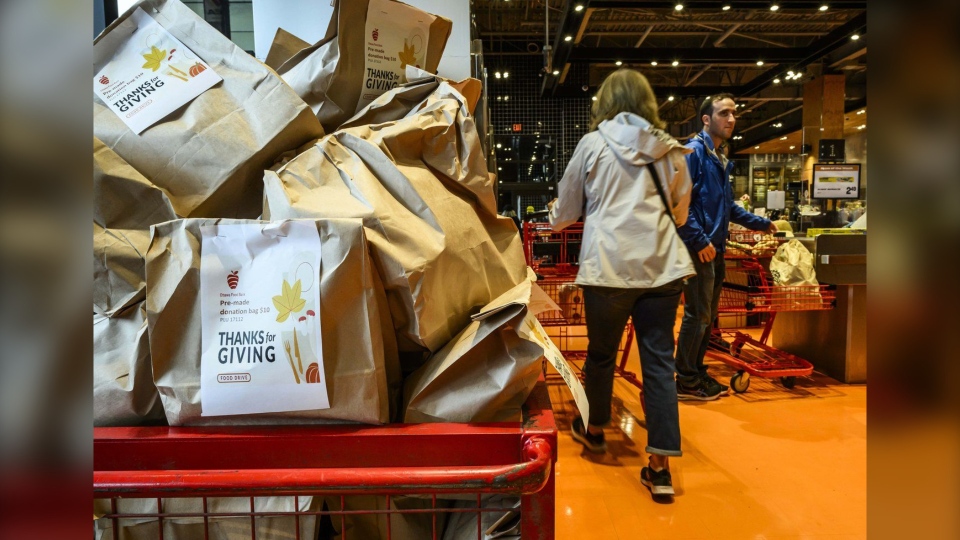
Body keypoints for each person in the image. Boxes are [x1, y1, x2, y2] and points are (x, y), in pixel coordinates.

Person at [548, 69, 695, 498]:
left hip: (608, 269)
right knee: (658, 364)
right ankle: (660, 467)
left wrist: (554, 217)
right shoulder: (669, 149)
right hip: (662, 269)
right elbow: (680, 210)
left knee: (600, 354)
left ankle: (594, 429)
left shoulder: (593, 144)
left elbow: (567, 208)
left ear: (605, 102)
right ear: (647, 102)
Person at [675, 94, 778, 400]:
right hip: (699, 249)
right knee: (698, 315)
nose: (731, 119)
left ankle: (695, 370)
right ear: (706, 119)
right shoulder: (693, 153)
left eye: (734, 113)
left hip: (715, 249)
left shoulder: (718, 157)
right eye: (724, 113)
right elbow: (682, 204)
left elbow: (726, 207)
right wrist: (699, 240)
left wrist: (759, 223)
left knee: (708, 315)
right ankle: (686, 379)